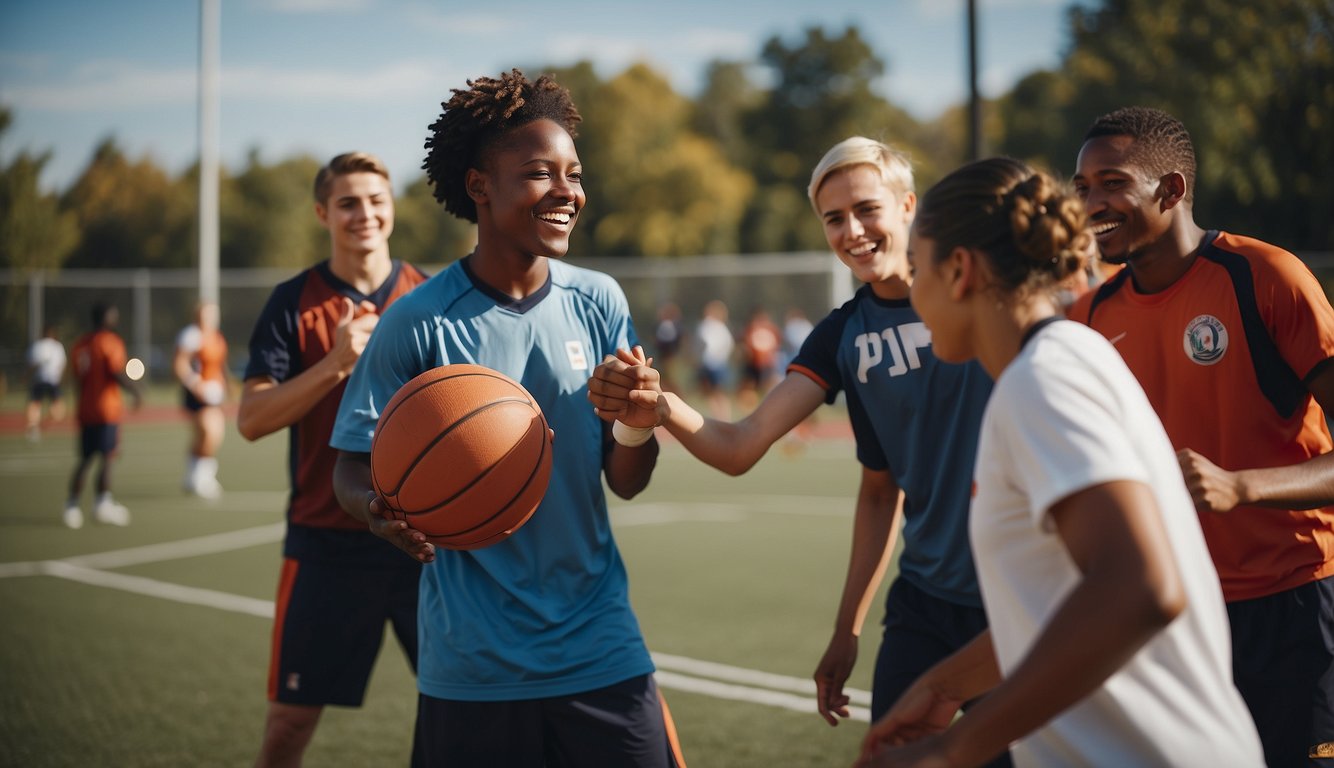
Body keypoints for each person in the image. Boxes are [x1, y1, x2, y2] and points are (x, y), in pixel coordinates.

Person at [589, 137, 1002, 761]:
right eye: (834, 219)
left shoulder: (988, 294)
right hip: (925, 603)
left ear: (909, 205)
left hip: (1017, 594)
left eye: (867, 209)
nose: (852, 231)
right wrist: (663, 407)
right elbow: (747, 447)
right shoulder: (843, 334)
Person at [855, 156, 1265, 767]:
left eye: (919, 270)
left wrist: (957, 749)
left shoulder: (1043, 380)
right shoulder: (1063, 359)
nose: (912, 292)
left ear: (961, 270)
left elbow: (1139, 587)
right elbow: (1066, 600)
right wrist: (946, 686)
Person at [329, 70, 685, 767]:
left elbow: (628, 482)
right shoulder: (417, 321)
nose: (567, 192)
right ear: (479, 187)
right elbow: (348, 466)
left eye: (574, 175)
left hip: (600, 644)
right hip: (473, 663)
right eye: (538, 174)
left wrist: (636, 420)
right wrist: (377, 512)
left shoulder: (599, 300)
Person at [1068, 106, 1334, 768]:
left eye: (1111, 183)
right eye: (1081, 188)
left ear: (1172, 190)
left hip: (1296, 603)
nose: (1091, 204)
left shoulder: (1266, 277)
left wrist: (1242, 486)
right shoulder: (1090, 313)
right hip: (1174, 612)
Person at [238, 151, 429, 768]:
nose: (364, 214)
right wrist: (335, 364)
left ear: (392, 209)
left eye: (376, 200)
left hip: (422, 542)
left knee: (468, 709)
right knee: (289, 725)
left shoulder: (430, 297)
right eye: (348, 202)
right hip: (326, 545)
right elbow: (251, 420)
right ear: (323, 212)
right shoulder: (293, 302)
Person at [64, 302, 141, 529]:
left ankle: (71, 505)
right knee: (107, 457)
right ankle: (102, 504)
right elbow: (114, 371)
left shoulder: (81, 344)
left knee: (86, 458)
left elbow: (77, 376)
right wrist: (136, 390)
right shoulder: (110, 342)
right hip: (106, 410)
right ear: (106, 317)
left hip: (85, 408)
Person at [174, 301, 228, 498]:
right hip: (198, 393)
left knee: (208, 434)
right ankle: (203, 477)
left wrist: (226, 386)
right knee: (210, 432)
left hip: (214, 392)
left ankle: (194, 475)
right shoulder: (192, 335)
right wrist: (196, 384)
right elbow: (180, 364)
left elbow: (220, 365)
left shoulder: (217, 337)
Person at [694, 298, 735, 419]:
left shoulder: (709, 325)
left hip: (714, 364)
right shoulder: (717, 326)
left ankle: (723, 417)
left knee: (717, 392)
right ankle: (719, 416)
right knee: (712, 392)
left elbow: (705, 343)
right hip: (714, 363)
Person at [26, 324, 67, 442]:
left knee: (35, 404)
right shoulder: (57, 346)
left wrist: (26, 376)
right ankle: (42, 425)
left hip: (39, 380)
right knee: (57, 408)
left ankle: (35, 426)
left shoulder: (36, 346)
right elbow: (62, 365)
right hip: (53, 380)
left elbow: (32, 365)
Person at [737, 305, 782, 411]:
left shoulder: (771, 329)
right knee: (749, 388)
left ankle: (770, 410)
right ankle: (751, 411)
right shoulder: (750, 329)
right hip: (753, 364)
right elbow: (744, 346)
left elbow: (776, 346)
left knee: (768, 388)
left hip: (766, 364)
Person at [652, 301, 684, 393]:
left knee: (670, 379)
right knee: (665, 380)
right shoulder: (673, 325)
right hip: (665, 357)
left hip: (669, 357)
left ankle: (676, 397)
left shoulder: (668, 325)